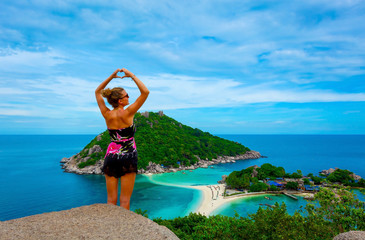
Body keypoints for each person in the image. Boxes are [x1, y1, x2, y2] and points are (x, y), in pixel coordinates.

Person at [95, 68, 149, 210]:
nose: (129, 98)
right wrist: (131, 75)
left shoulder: (106, 114)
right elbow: (145, 92)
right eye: (127, 95)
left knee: (110, 201)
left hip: (111, 157)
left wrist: (111, 77)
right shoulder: (128, 113)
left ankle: (110, 228)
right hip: (128, 157)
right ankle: (123, 230)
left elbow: (97, 92)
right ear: (120, 100)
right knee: (125, 201)